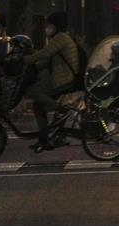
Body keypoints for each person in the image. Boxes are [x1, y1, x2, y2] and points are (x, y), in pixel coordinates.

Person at [23, 10, 80, 151]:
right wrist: (33, 66)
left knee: (33, 91)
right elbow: (47, 61)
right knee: (38, 105)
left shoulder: (61, 37)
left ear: (56, 26)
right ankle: (44, 139)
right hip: (62, 77)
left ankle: (62, 109)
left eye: (50, 25)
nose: (47, 28)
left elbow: (44, 53)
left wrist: (23, 60)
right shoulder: (62, 38)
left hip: (63, 79)